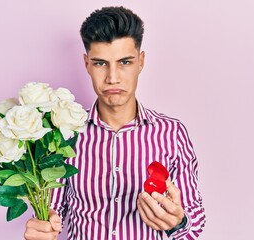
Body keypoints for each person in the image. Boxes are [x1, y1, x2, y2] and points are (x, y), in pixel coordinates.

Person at [24, 6, 206, 240]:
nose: (112, 77)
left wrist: (178, 223)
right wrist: (43, 228)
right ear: (86, 63)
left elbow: (195, 219)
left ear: (141, 62)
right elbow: (53, 211)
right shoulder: (64, 136)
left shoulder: (172, 133)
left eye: (125, 62)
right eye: (100, 63)